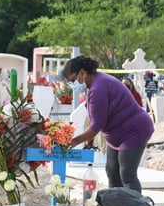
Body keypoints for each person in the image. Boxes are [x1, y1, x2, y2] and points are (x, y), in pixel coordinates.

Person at [63, 56, 154, 193]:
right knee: (112, 170)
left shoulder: (98, 88)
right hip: (117, 133)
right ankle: (117, 204)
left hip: (133, 130)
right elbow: (95, 118)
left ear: (82, 73)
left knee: (127, 174)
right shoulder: (95, 83)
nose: (72, 84)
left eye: (72, 80)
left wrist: (74, 141)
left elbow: (97, 125)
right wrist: (87, 141)